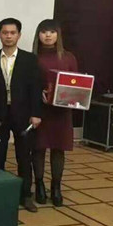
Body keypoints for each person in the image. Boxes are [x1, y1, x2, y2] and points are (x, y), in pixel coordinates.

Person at [0, 18, 42, 212]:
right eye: (5, 32)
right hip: (0, 115)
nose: (8, 36)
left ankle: (25, 195)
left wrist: (36, 114)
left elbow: (35, 88)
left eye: (12, 32)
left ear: (19, 35)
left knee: (24, 156)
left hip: (23, 115)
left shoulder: (29, 59)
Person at [32, 19, 78, 207]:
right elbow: (27, 84)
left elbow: (76, 84)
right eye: (44, 32)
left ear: (58, 35)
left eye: (52, 32)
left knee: (58, 148)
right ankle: (39, 185)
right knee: (38, 148)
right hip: (40, 110)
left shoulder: (68, 57)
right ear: (38, 35)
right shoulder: (31, 58)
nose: (48, 35)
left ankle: (56, 187)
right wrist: (39, 94)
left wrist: (72, 96)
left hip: (62, 112)